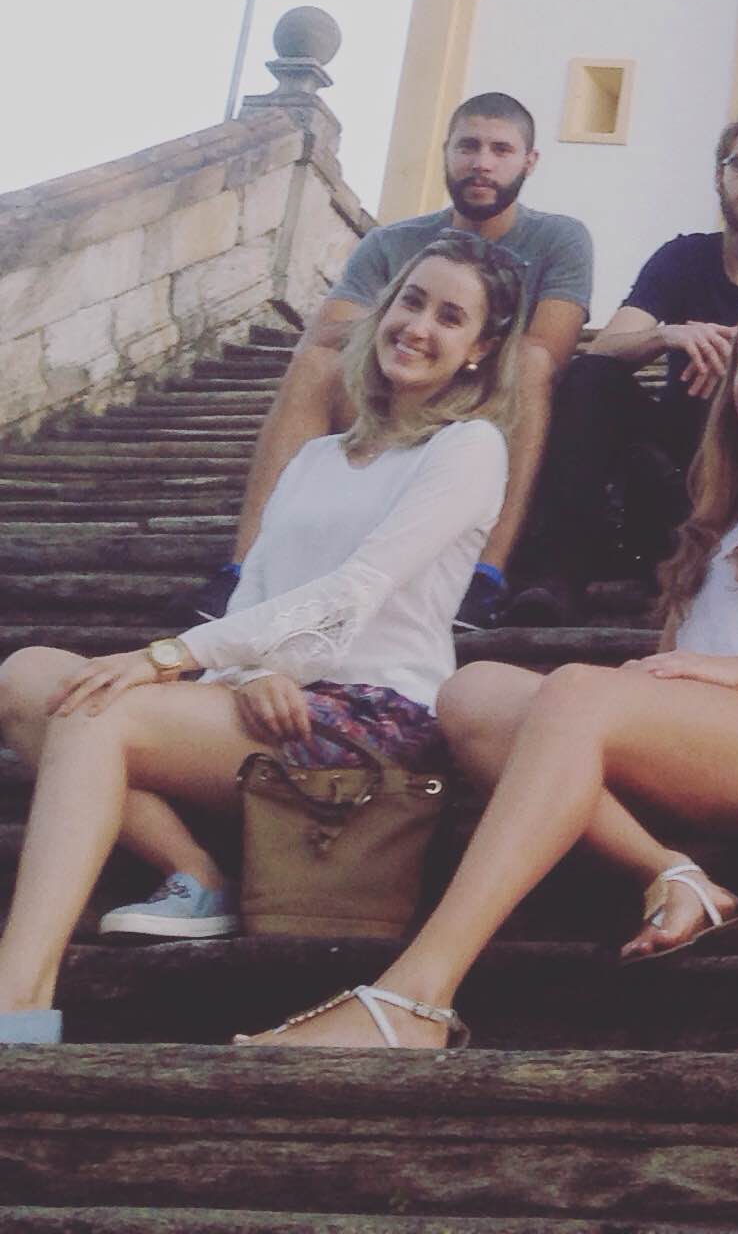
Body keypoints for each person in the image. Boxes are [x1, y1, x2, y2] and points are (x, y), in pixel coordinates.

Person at [238, 288, 738, 1051]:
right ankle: (674, 873)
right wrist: (666, 676)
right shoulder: (719, 508)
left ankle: (416, 995)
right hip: (731, 736)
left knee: (574, 691)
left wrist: (735, 674)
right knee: (474, 693)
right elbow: (679, 659)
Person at [0, 239, 526, 1045]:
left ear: (479, 351)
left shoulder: (469, 449)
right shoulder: (316, 457)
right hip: (264, 698)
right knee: (30, 676)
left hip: (371, 717)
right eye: (411, 301)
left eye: (450, 317)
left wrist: (170, 657)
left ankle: (18, 1001)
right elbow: (259, 596)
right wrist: (246, 672)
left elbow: (355, 596)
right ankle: (198, 873)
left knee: (95, 715)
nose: (418, 326)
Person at [195, 92, 592, 633]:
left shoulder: (559, 238)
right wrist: (415, 332)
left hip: (487, 401)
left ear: (529, 162)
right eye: (468, 146)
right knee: (313, 363)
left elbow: (553, 343)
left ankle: (486, 575)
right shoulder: (392, 242)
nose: (482, 162)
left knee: (530, 361)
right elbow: (326, 333)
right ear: (446, 152)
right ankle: (243, 567)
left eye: (501, 150)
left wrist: (445, 339)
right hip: (390, 398)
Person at [506, 117, 738, 627]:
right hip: (678, 469)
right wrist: (669, 334)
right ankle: (554, 577)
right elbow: (607, 348)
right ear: (719, 176)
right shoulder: (683, 257)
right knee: (591, 379)